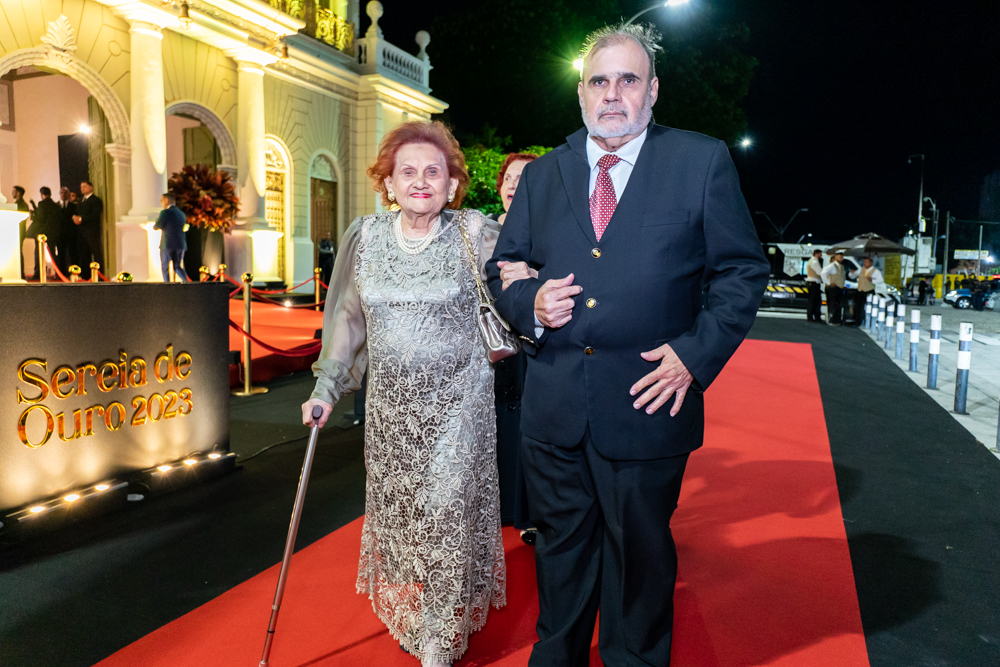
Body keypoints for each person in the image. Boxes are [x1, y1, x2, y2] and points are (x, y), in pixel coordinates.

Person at [486, 22, 769, 667]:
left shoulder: (700, 162)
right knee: (560, 555)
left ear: (653, 91)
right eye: (598, 81)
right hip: (554, 404)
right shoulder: (543, 175)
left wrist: (695, 358)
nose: (612, 94)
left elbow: (741, 271)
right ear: (581, 95)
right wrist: (529, 303)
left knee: (639, 558)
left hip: (648, 400)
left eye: (628, 79)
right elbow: (505, 266)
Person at [301, 121, 505, 667]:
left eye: (432, 172)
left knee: (446, 510)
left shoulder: (475, 233)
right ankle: (422, 611)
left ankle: (439, 641)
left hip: (460, 402)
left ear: (451, 184)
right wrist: (327, 386)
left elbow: (524, 278)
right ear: (387, 183)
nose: (420, 181)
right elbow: (346, 319)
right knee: (407, 518)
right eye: (407, 171)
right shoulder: (364, 237)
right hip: (391, 408)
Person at [490, 153, 539, 544]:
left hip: (531, 344)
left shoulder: (545, 232)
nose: (512, 184)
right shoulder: (480, 231)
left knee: (528, 427)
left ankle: (531, 513)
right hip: (487, 348)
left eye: (523, 178)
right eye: (508, 177)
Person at [27, 187, 61, 280]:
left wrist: (33, 215)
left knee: (38, 253)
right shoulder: (56, 205)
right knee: (53, 253)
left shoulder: (41, 204)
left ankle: (37, 273)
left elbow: (40, 218)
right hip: (53, 233)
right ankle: (58, 273)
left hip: (42, 233)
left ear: (42, 194)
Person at [154, 193, 189, 282]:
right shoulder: (181, 214)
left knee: (165, 267)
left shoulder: (165, 212)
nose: (162, 203)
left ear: (166, 200)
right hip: (180, 244)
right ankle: (186, 282)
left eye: (162, 201)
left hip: (167, 244)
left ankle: (167, 286)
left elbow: (157, 226)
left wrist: (157, 222)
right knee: (177, 266)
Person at [73, 181, 104, 280]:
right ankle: (86, 275)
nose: (82, 189)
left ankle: (100, 275)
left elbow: (95, 215)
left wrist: (81, 219)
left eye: (85, 187)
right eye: (81, 187)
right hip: (81, 232)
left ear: (91, 187)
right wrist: (74, 217)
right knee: (84, 254)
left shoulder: (96, 200)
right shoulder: (81, 200)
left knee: (96, 253)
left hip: (92, 231)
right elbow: (76, 212)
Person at [850, 257, 883, 326]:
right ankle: (857, 321)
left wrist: (873, 281)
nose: (865, 264)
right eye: (864, 262)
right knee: (858, 307)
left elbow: (880, 281)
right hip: (860, 291)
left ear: (871, 263)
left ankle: (868, 321)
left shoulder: (876, 271)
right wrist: (851, 273)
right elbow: (853, 276)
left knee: (869, 307)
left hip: (869, 291)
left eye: (867, 262)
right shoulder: (861, 270)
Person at [55, 187, 77, 276]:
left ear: (68, 194)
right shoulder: (56, 206)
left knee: (73, 253)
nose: (63, 194)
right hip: (59, 234)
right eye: (61, 193)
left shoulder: (74, 206)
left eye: (65, 193)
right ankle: (61, 273)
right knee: (61, 254)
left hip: (71, 234)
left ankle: (74, 272)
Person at [821, 250, 846, 325]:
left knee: (838, 304)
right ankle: (831, 319)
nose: (841, 258)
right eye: (839, 257)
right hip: (833, 288)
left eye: (842, 257)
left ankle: (836, 320)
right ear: (835, 257)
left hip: (839, 288)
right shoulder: (832, 265)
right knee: (832, 304)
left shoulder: (842, 266)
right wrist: (828, 283)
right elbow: (823, 273)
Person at [13, 186, 29, 278]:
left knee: (19, 252)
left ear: (18, 193)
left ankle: (20, 273)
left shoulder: (20, 204)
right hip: (20, 230)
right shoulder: (22, 204)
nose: (12, 193)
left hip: (19, 231)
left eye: (13, 191)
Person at [805, 248, 824, 322]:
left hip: (812, 283)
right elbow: (820, 272)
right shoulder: (814, 262)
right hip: (814, 283)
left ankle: (813, 316)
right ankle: (812, 316)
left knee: (813, 300)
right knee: (814, 301)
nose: (821, 255)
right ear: (817, 254)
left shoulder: (811, 261)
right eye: (820, 254)